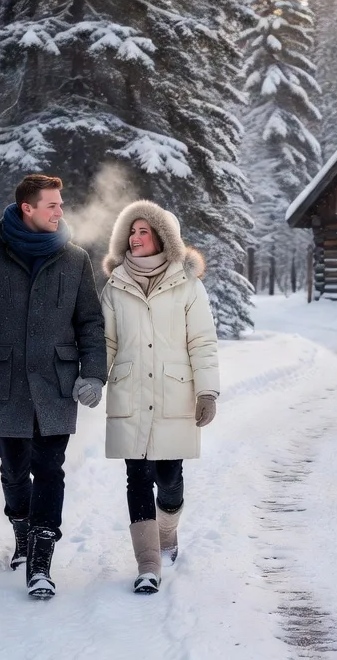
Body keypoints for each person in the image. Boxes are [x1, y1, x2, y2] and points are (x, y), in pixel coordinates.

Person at [0, 174, 106, 600]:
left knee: (50, 468)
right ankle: (21, 530)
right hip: (5, 383)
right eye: (52, 204)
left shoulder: (74, 259)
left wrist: (93, 373)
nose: (60, 211)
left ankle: (40, 563)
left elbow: (90, 323)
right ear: (28, 208)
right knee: (14, 469)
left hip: (57, 383)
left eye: (61, 204)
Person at [100, 200, 220, 594]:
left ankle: (167, 528)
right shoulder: (116, 285)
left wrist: (207, 391)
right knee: (137, 477)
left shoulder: (188, 285)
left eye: (143, 231)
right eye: (131, 232)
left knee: (169, 478)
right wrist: (93, 378)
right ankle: (148, 564)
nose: (135, 238)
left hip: (173, 394)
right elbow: (106, 342)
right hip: (131, 393)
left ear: (163, 238)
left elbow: (202, 341)